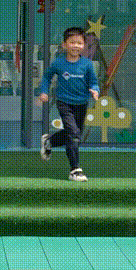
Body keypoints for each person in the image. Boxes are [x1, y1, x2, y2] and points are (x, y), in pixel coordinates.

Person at [36, 26, 99, 181]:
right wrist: (44, 91)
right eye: (72, 42)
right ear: (64, 44)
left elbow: (93, 81)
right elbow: (47, 77)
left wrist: (95, 90)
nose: (76, 46)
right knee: (74, 135)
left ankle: (49, 141)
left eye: (79, 43)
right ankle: (75, 170)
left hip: (82, 103)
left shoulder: (87, 64)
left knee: (74, 134)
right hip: (64, 103)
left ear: (83, 45)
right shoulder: (59, 63)